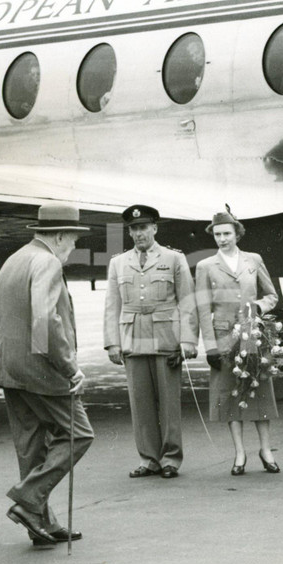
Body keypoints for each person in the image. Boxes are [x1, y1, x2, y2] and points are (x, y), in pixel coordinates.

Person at [0, 203, 94, 546]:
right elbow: (44, 320)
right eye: (74, 240)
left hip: (11, 368)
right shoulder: (47, 262)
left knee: (32, 447)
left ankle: (40, 522)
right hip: (41, 371)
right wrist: (69, 367)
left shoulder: (14, 259)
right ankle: (27, 500)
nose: (74, 247)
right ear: (61, 236)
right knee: (79, 434)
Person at [104, 204, 198, 479]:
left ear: (154, 228)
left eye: (143, 227)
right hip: (132, 338)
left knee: (169, 403)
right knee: (140, 403)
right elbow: (112, 305)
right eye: (134, 228)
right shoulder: (118, 263)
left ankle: (170, 459)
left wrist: (188, 340)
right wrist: (112, 343)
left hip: (165, 337)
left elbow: (187, 301)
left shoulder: (174, 258)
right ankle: (149, 459)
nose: (139, 233)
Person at [195, 209, 282, 475]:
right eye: (217, 234)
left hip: (253, 334)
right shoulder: (206, 266)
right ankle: (240, 453)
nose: (222, 239)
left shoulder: (253, 260)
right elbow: (202, 309)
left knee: (260, 391)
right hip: (223, 337)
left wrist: (257, 307)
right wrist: (210, 346)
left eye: (227, 234)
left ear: (237, 234)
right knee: (231, 393)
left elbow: (271, 295)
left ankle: (266, 450)